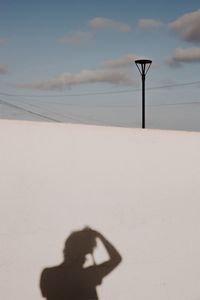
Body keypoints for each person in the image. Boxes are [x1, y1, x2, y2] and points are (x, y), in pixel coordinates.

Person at [40, 227, 122, 300]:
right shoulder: (87, 275)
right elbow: (116, 258)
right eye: (86, 253)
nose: (85, 258)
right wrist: (99, 236)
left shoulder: (48, 274)